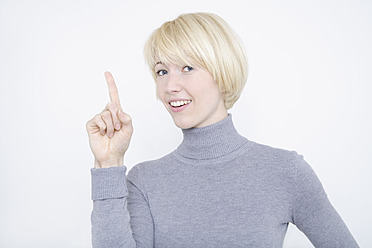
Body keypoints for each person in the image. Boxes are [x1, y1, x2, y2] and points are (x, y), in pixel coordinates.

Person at [86, 12, 359, 247]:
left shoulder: (287, 172)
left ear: (223, 72)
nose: (170, 87)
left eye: (187, 67)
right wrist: (109, 164)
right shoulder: (143, 180)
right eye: (162, 72)